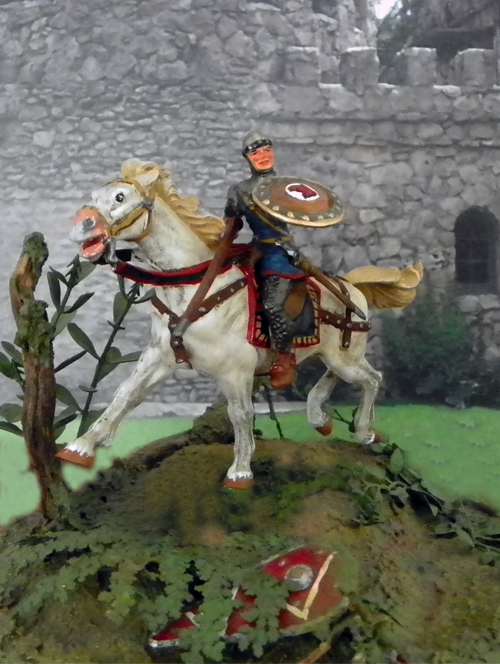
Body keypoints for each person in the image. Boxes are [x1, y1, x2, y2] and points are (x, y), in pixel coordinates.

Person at [224, 131, 305, 390]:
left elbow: (305, 211)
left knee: (273, 304)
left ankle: (285, 356)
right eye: (256, 152)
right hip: (253, 249)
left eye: (267, 151)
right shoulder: (238, 191)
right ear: (247, 157)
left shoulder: (286, 186)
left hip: (279, 250)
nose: (262, 156)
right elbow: (231, 226)